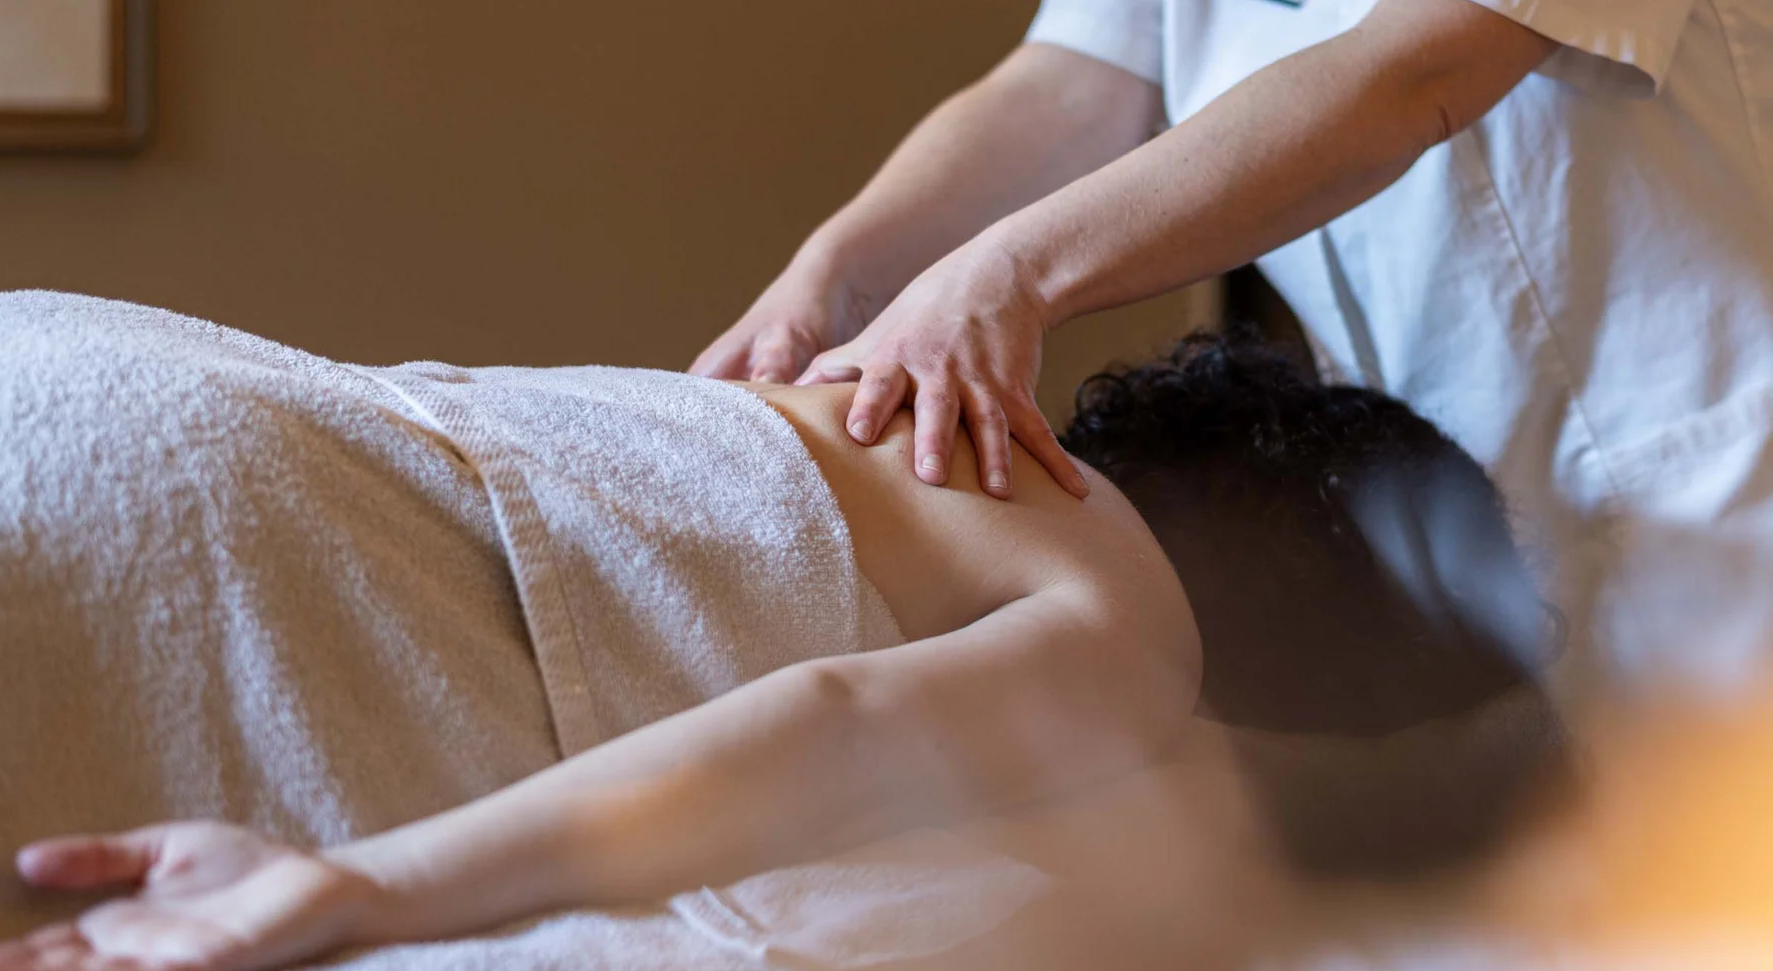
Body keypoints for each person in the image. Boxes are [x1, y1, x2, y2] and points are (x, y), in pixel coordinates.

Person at [0, 293, 1559, 971]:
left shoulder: (924, 410)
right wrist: (348, 887)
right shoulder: (1136, 638)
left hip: (101, 365)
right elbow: (828, 721)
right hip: (214, 506)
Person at [694, 0, 1773, 699]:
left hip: (1730, 488)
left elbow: (1415, 69)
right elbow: (1075, 83)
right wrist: (835, 274)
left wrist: (1007, 276)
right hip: (1494, 548)